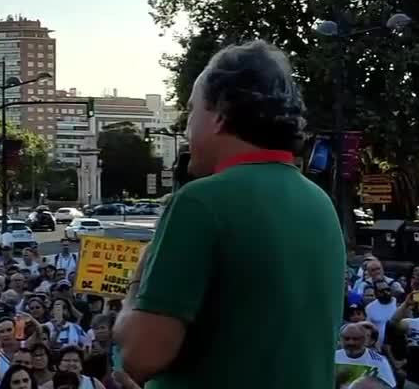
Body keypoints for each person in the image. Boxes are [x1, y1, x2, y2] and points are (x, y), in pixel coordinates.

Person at [113, 41, 345, 388]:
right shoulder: (320, 203)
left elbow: (140, 356)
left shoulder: (200, 201)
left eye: (192, 111)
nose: (186, 127)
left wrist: (135, 284)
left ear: (220, 115)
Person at [335, 323, 396, 388]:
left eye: (355, 339)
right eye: (347, 339)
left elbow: (390, 386)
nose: (351, 342)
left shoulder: (379, 361)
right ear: (340, 339)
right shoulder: (333, 357)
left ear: (364, 340)